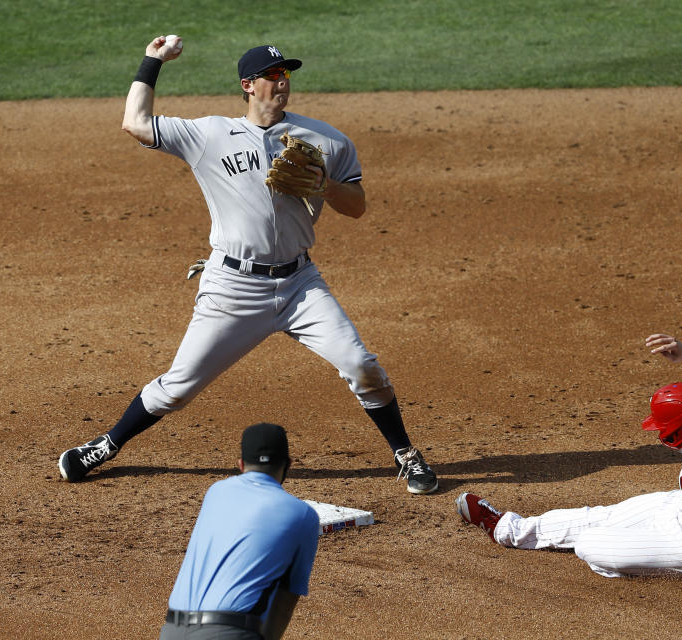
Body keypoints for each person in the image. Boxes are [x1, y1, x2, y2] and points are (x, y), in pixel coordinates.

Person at [57, 35, 438, 494]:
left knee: (361, 364)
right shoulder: (209, 135)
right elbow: (134, 123)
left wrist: (324, 186)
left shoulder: (325, 140)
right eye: (272, 76)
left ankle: (406, 454)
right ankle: (106, 444)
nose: (282, 84)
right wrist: (152, 61)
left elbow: (356, 206)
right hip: (232, 288)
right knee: (178, 387)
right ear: (248, 85)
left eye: (286, 75)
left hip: (300, 284)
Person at [456, 333, 682, 621]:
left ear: (678, 434)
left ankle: (666, 563)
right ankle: (504, 528)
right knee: (595, 517)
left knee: (589, 545)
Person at [160, 422, 319, 640]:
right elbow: (285, 598)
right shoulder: (302, 514)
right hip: (229, 633)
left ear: (241, 464)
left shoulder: (215, 492)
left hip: (172, 631)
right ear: (289, 464)